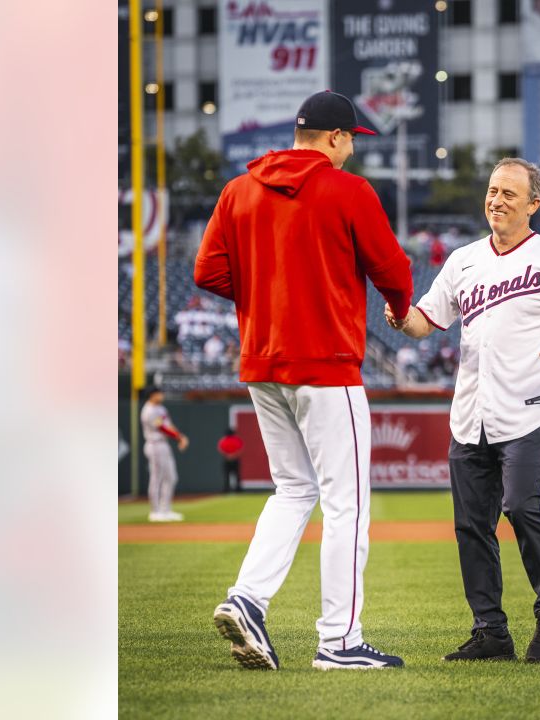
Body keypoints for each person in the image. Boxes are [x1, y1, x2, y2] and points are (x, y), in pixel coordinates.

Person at [194, 90, 413, 671]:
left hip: (262, 365)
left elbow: (207, 270)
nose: (350, 151)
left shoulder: (239, 190)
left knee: (293, 490)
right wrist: (397, 306)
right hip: (325, 364)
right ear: (336, 138)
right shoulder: (347, 189)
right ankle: (339, 643)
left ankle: (247, 599)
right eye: (350, 141)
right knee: (348, 503)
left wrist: (270, 292)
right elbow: (392, 266)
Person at [384, 158, 540, 664]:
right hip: (470, 414)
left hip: (528, 409)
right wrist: (401, 319)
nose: (496, 200)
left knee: (522, 507)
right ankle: (491, 632)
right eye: (491, 190)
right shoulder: (463, 260)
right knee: (470, 527)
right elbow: (426, 321)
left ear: (533, 204)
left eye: (509, 192)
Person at [139, 387, 189, 522]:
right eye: (158, 393)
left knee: (171, 477)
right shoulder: (148, 411)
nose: (161, 395)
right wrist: (179, 438)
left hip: (164, 445)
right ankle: (155, 512)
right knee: (156, 479)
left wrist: (180, 436)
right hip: (154, 445)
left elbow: (169, 425)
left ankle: (165, 510)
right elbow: (162, 428)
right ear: (152, 395)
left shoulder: (161, 408)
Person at [217, 427, 244, 493]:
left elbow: (220, 449)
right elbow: (240, 449)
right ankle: (238, 490)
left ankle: (226, 490)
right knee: (237, 475)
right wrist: (234, 455)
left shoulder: (223, 440)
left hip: (227, 460)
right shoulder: (237, 440)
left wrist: (228, 455)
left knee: (227, 475)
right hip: (235, 459)